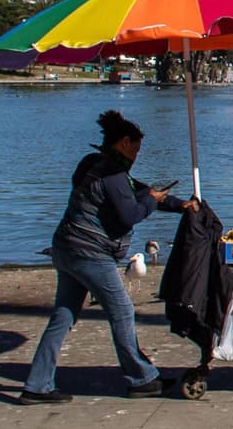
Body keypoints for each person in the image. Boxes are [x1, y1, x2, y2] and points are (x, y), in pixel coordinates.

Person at [20, 109, 199, 405]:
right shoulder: (114, 175)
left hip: (65, 247)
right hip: (90, 254)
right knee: (122, 311)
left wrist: (178, 205)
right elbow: (131, 213)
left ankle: (36, 385)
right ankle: (142, 379)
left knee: (63, 316)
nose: (137, 155)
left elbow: (135, 192)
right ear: (125, 142)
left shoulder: (92, 163)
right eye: (136, 149)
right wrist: (150, 200)